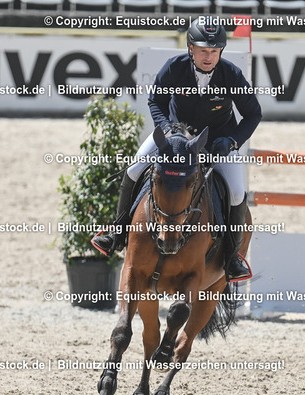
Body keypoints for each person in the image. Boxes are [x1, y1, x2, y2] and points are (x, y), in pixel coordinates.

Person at [93, 17, 262, 282]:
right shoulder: (174, 67)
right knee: (135, 168)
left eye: (214, 51)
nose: (209, 57)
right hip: (175, 138)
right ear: (190, 48)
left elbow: (253, 114)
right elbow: (155, 101)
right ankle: (117, 231)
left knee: (237, 192)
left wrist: (231, 141)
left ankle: (231, 258)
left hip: (216, 142)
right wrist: (167, 129)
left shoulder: (231, 74)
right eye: (203, 50)